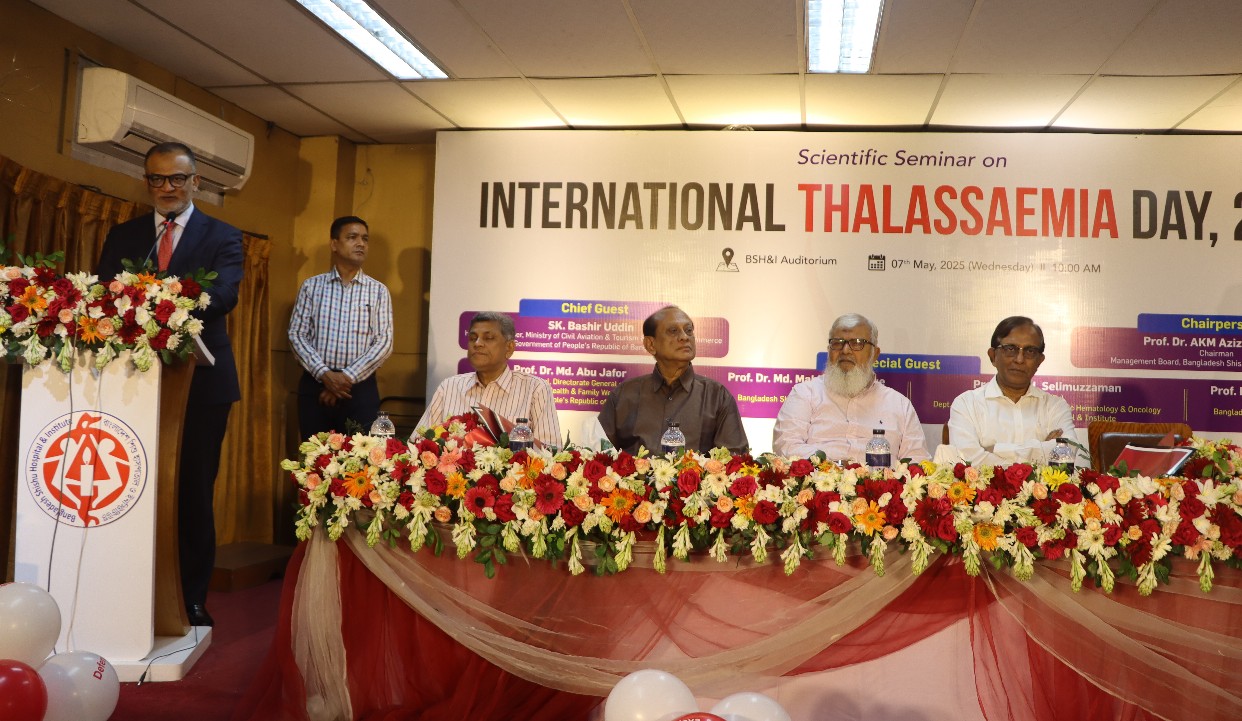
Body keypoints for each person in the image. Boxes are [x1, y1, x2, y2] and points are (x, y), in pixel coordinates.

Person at [96, 141, 243, 628]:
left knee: (192, 492)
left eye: (177, 178)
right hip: (132, 382)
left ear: (195, 181)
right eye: (157, 179)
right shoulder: (124, 235)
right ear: (147, 182)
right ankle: (128, 590)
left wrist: (160, 303)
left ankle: (190, 598)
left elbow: (223, 295)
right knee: (132, 486)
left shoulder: (223, 235)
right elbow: (105, 293)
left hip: (202, 384)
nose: (167, 188)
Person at [772, 313, 928, 463]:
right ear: (829, 349)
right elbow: (786, 445)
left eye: (857, 343)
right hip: (817, 479)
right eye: (837, 343)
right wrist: (833, 468)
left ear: (875, 354)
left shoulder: (900, 405)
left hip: (880, 481)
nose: (845, 350)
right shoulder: (805, 394)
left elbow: (917, 461)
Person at [288, 216, 393, 438]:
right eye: (352, 237)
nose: (361, 243)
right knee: (314, 456)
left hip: (359, 388)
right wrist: (325, 375)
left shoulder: (378, 291)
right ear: (334, 244)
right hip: (316, 386)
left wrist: (344, 379)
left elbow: (384, 342)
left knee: (362, 457)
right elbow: (297, 335)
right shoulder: (311, 287)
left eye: (365, 239)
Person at [598, 305, 748, 455]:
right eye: (673, 331)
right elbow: (598, 455)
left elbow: (734, 459)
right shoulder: (623, 396)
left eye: (689, 330)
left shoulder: (717, 397)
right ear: (651, 344)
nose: (684, 337)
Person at [947, 315, 1075, 466]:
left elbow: (1067, 454)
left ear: (1039, 361)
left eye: (1030, 351)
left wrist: (995, 450)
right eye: (1010, 349)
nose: (1019, 359)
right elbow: (967, 462)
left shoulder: (1055, 407)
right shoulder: (966, 404)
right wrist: (1043, 450)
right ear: (993, 356)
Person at [417, 311, 560, 445]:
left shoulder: (535, 389)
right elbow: (418, 444)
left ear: (509, 348)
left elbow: (549, 451)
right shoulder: (448, 388)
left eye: (489, 338)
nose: (477, 343)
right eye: (473, 338)